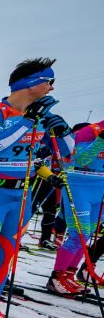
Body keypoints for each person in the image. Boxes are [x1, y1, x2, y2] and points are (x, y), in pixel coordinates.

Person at [0, 58, 80, 318]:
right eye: (48, 82)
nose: (51, 88)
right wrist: (27, 122)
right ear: (31, 83)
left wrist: (60, 127)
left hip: (21, 193)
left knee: (7, 250)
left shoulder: (41, 116)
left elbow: (70, 151)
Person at [48, 120, 104, 294]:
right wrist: (101, 140)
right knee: (79, 233)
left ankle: (69, 275)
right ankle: (56, 278)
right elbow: (80, 159)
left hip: (100, 186)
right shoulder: (90, 131)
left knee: (88, 234)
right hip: (80, 183)